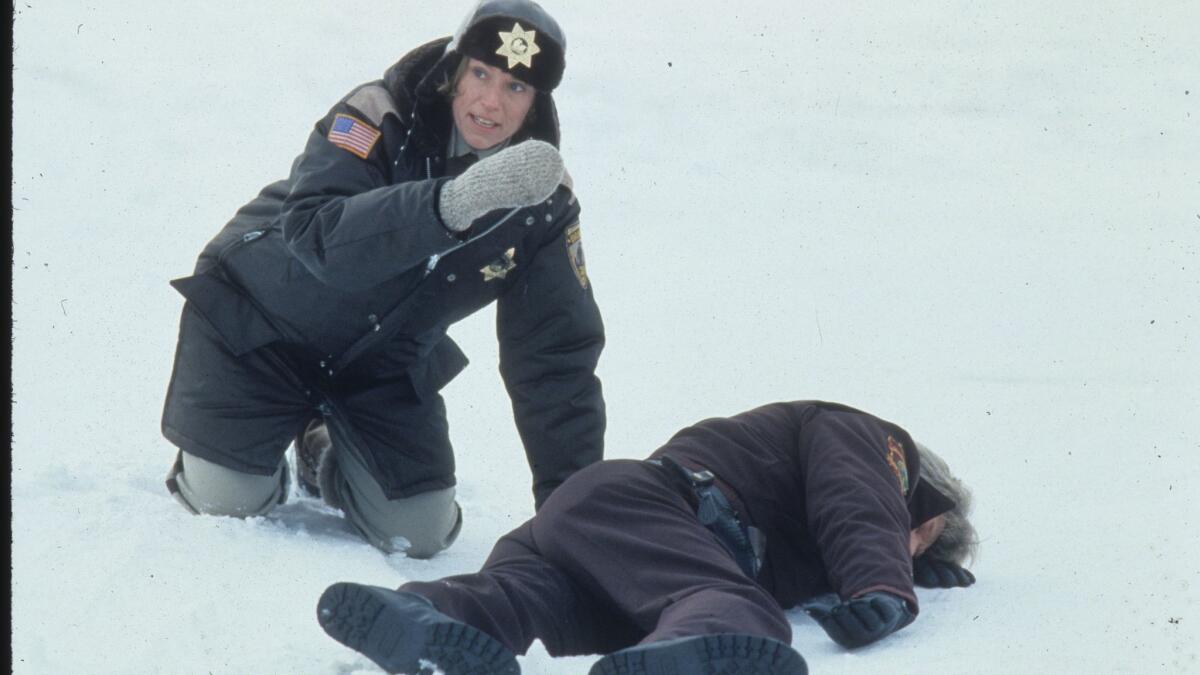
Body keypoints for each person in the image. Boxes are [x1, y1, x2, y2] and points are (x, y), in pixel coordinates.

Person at [160, 0, 605, 558]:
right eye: (481, 74)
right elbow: (317, 236)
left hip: (381, 365)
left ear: (537, 103)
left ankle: (321, 446)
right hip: (258, 327)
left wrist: (575, 513)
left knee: (419, 534)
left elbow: (553, 356)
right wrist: (452, 203)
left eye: (517, 88)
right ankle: (244, 451)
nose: (491, 101)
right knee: (230, 500)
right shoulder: (376, 113)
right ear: (453, 69)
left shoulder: (544, 201)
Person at [315, 400, 979, 675]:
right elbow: (858, 501)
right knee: (733, 606)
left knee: (517, 601)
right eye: (926, 536)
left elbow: (850, 525)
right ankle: (681, 655)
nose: (915, 547)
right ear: (921, 502)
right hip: (653, 507)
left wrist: (896, 569)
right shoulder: (872, 441)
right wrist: (884, 582)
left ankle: (422, 615)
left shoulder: (827, 526)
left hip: (595, 538)